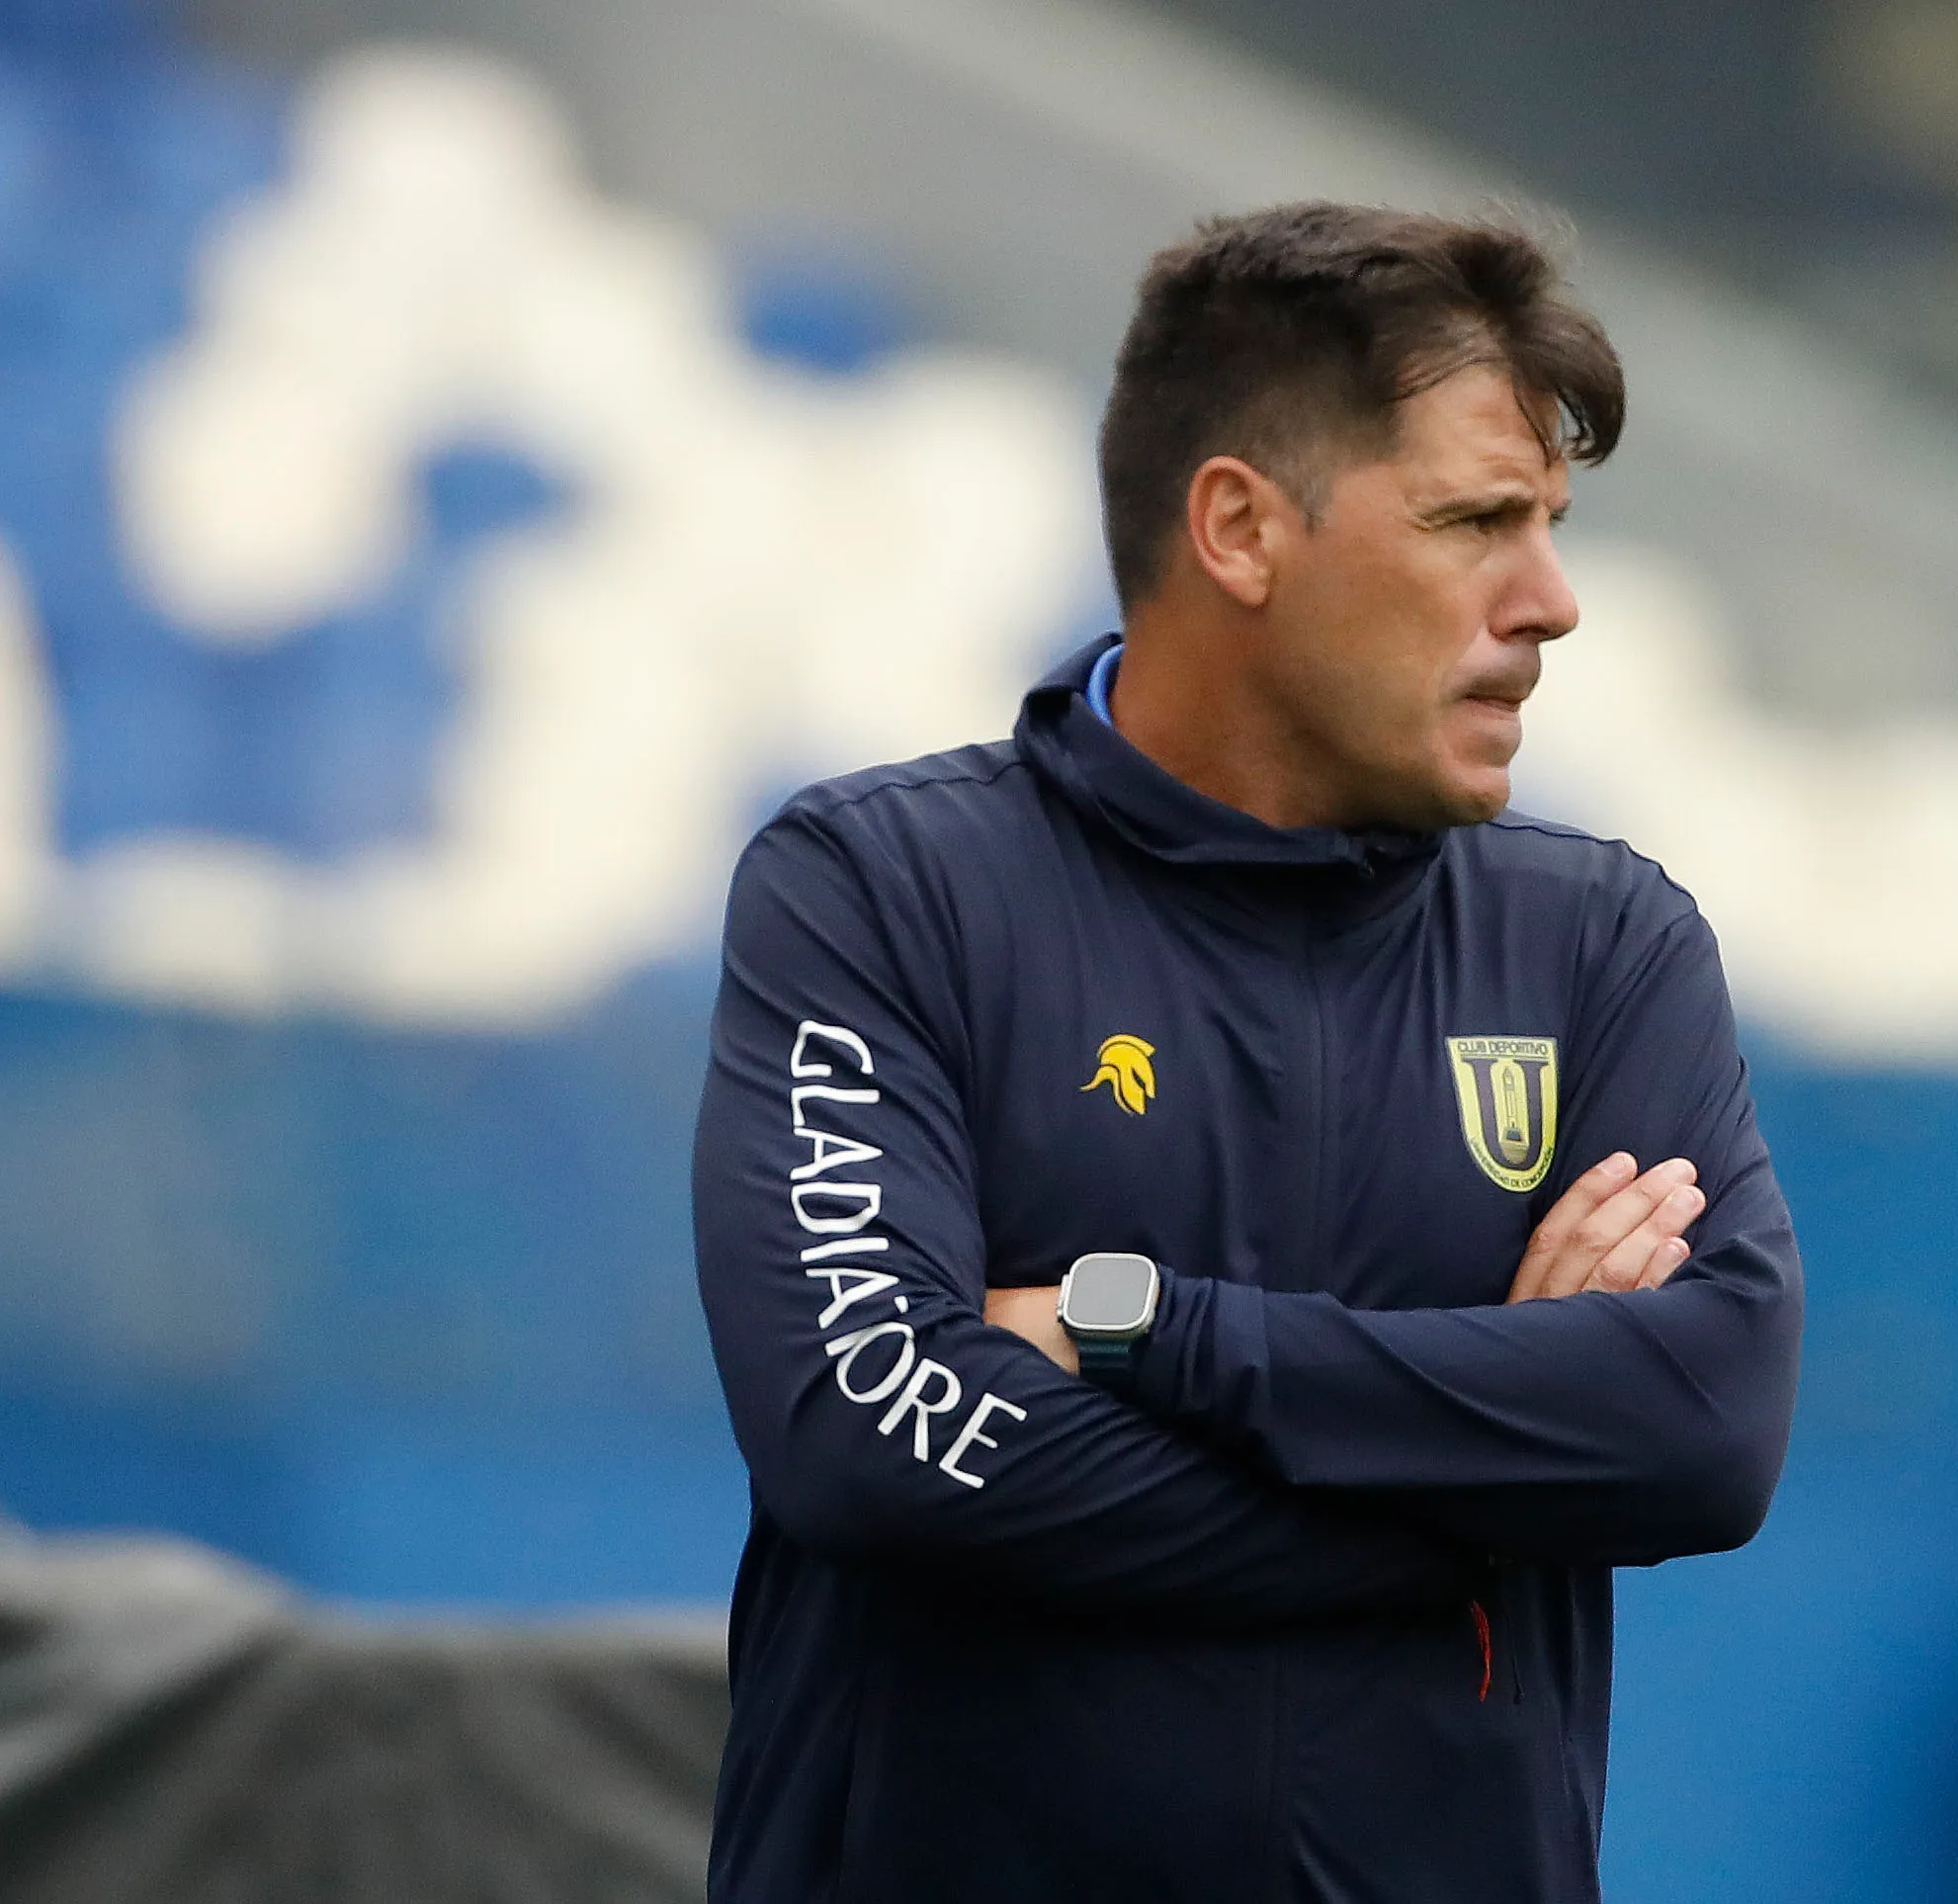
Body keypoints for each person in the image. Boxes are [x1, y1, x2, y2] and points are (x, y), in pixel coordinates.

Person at [689, 204, 1804, 1902]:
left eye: (1553, 527)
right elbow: (879, 1439)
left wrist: (1147, 1334)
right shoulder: (884, 893)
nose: (1553, 601)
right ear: (1239, 529)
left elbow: (1704, 1433)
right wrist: (1484, 1473)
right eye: (1477, 521)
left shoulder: (1599, 948)